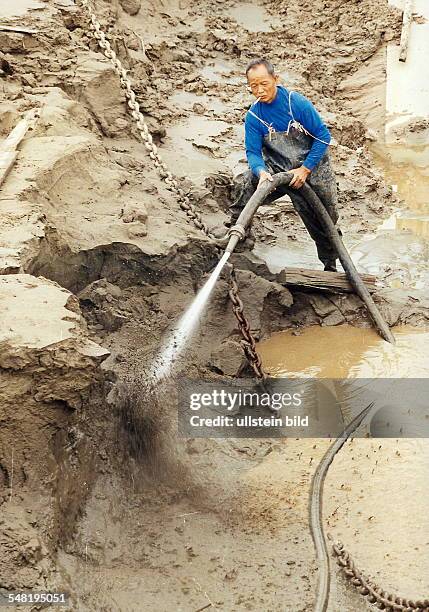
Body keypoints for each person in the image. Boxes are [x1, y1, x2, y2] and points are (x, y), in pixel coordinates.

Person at [230, 58, 340, 272]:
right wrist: (261, 172)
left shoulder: (295, 103)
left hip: (313, 169)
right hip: (278, 167)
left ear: (275, 80)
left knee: (324, 219)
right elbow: (253, 152)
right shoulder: (254, 116)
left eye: (264, 84)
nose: (259, 90)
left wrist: (305, 169)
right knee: (245, 185)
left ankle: (331, 264)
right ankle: (238, 235)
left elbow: (323, 136)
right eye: (254, 86)